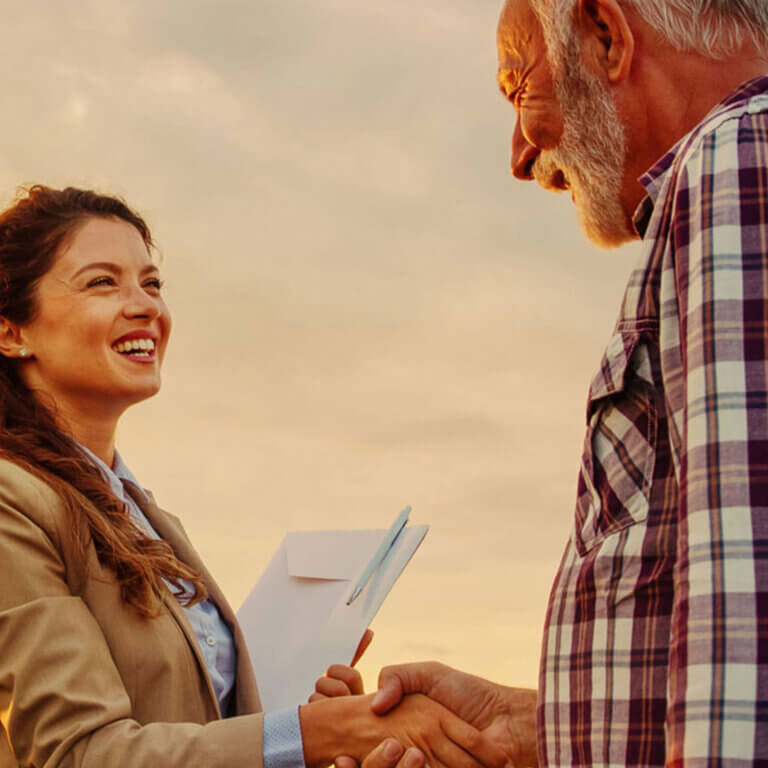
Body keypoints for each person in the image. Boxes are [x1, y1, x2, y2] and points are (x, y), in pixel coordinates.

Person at [315, 0, 768, 764]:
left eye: (517, 86)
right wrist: (526, 729)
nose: (520, 156)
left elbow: (747, 602)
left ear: (606, 35)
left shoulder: (734, 157)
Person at [0, 185, 511, 768]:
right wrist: (318, 732)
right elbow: (77, 755)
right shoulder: (11, 502)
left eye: (152, 283)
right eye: (102, 282)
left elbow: (199, 727)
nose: (144, 305)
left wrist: (295, 719)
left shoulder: (152, 519)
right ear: (11, 332)